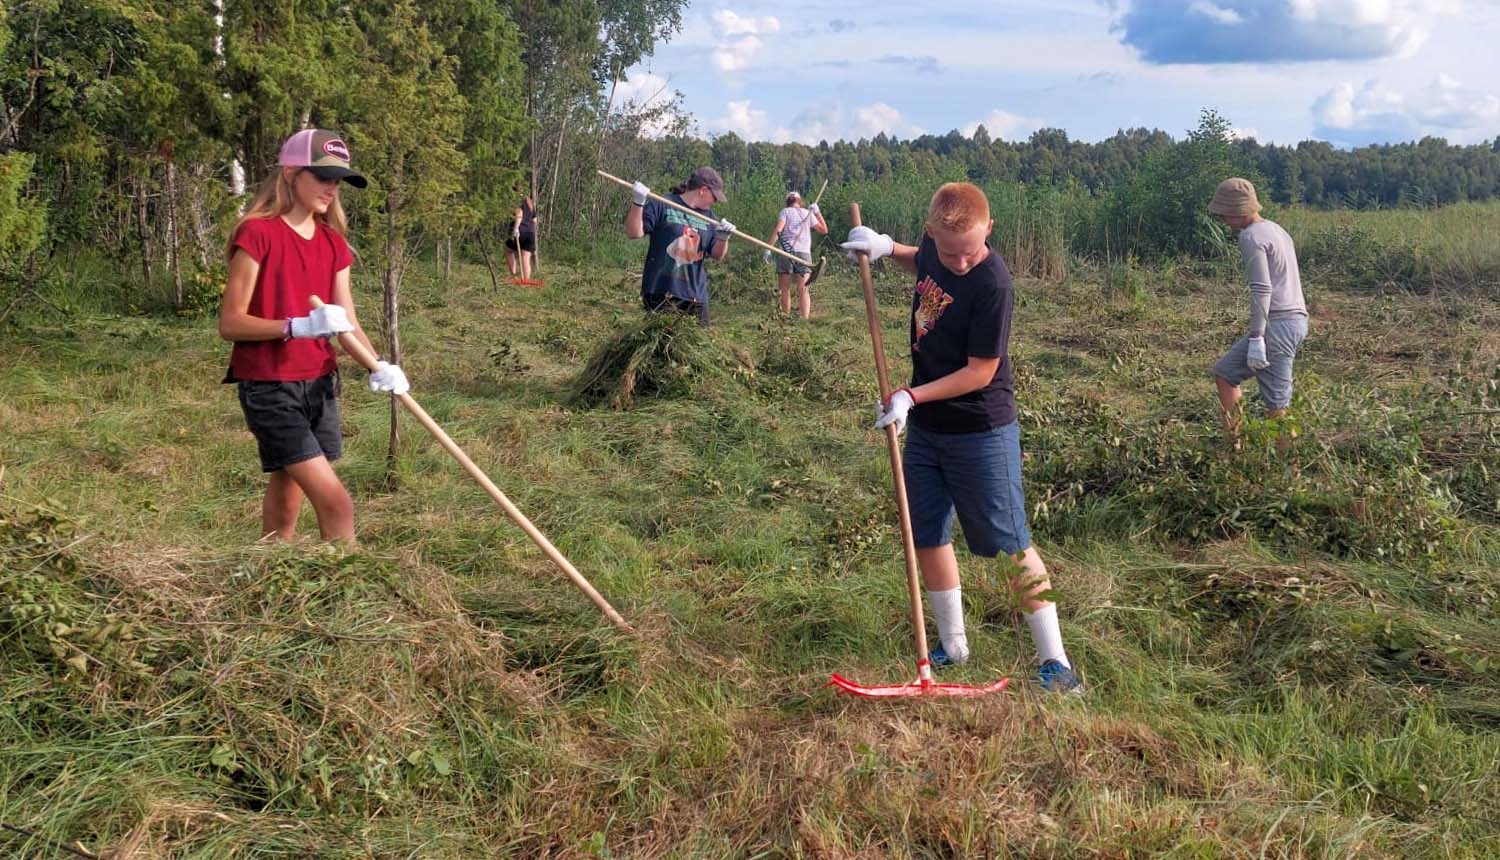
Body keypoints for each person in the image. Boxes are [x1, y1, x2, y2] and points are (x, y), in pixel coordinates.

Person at [840, 182, 1082, 693]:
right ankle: (953, 645)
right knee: (925, 531)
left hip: (981, 429)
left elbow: (980, 372)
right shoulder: (934, 249)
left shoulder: (994, 285)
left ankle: (1056, 663)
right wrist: (886, 249)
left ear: (989, 229)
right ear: (932, 234)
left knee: (1009, 542)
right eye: (951, 252)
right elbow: (923, 263)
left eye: (971, 250)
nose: (962, 261)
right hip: (928, 430)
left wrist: (910, 396)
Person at [218, 128, 409, 545]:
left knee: (289, 485)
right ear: (290, 173)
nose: (331, 188)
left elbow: (348, 324)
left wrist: (380, 366)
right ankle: (348, 591)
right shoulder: (257, 234)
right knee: (336, 502)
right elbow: (230, 323)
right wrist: (294, 326)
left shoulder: (332, 244)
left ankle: (271, 568)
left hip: (319, 384)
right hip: (270, 386)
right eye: (322, 176)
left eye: (337, 180)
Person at [1207, 177, 1308, 448]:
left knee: (1277, 405)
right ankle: (1235, 448)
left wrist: (1256, 337)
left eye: (1225, 213)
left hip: (1278, 323)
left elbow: (1262, 289)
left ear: (1239, 209)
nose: (1223, 219)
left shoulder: (1251, 237)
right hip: (1295, 320)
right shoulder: (1276, 229)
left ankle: (1290, 474)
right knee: (1226, 373)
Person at [623, 167, 735, 326]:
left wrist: (724, 238)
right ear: (703, 190)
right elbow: (633, 233)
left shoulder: (711, 220)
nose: (714, 202)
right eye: (714, 197)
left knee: (698, 348)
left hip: (695, 296)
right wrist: (638, 203)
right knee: (662, 346)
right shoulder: (663, 205)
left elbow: (718, 255)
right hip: (661, 292)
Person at [764, 190, 828, 318]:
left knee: (784, 289)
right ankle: (804, 319)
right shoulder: (807, 213)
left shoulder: (785, 212)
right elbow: (824, 229)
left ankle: (785, 317)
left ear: (788, 202)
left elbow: (778, 229)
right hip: (803, 253)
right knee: (803, 289)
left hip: (786, 253)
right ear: (800, 201)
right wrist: (817, 212)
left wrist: (768, 248)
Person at [505, 182, 538, 281]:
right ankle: (526, 280)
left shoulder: (517, 201)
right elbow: (534, 219)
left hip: (520, 231)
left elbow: (519, 215)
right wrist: (531, 230)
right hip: (530, 232)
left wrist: (516, 228)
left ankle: (514, 276)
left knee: (508, 250)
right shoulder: (529, 201)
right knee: (526, 256)